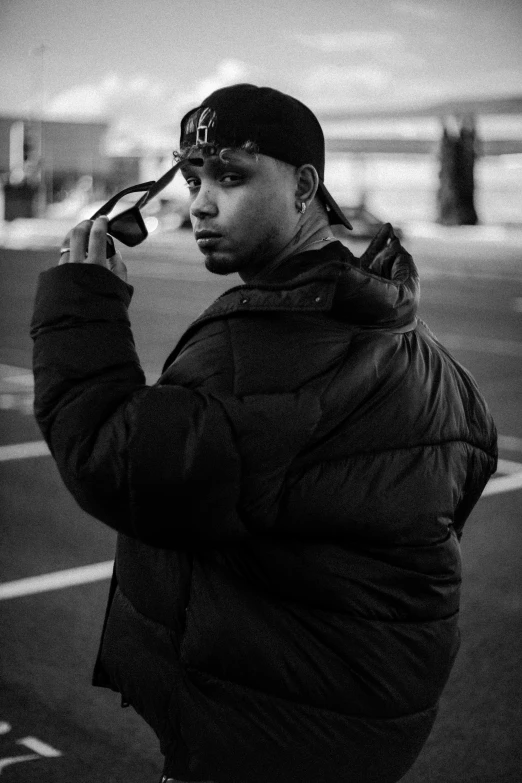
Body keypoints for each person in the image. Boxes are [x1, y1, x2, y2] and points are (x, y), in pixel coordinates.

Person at [30, 84, 497, 783]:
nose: (202, 204)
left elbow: (114, 458)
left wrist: (80, 303)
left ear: (305, 186)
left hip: (269, 736)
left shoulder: (272, 348)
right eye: (193, 180)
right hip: (347, 721)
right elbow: (474, 447)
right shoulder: (388, 319)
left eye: (231, 176)